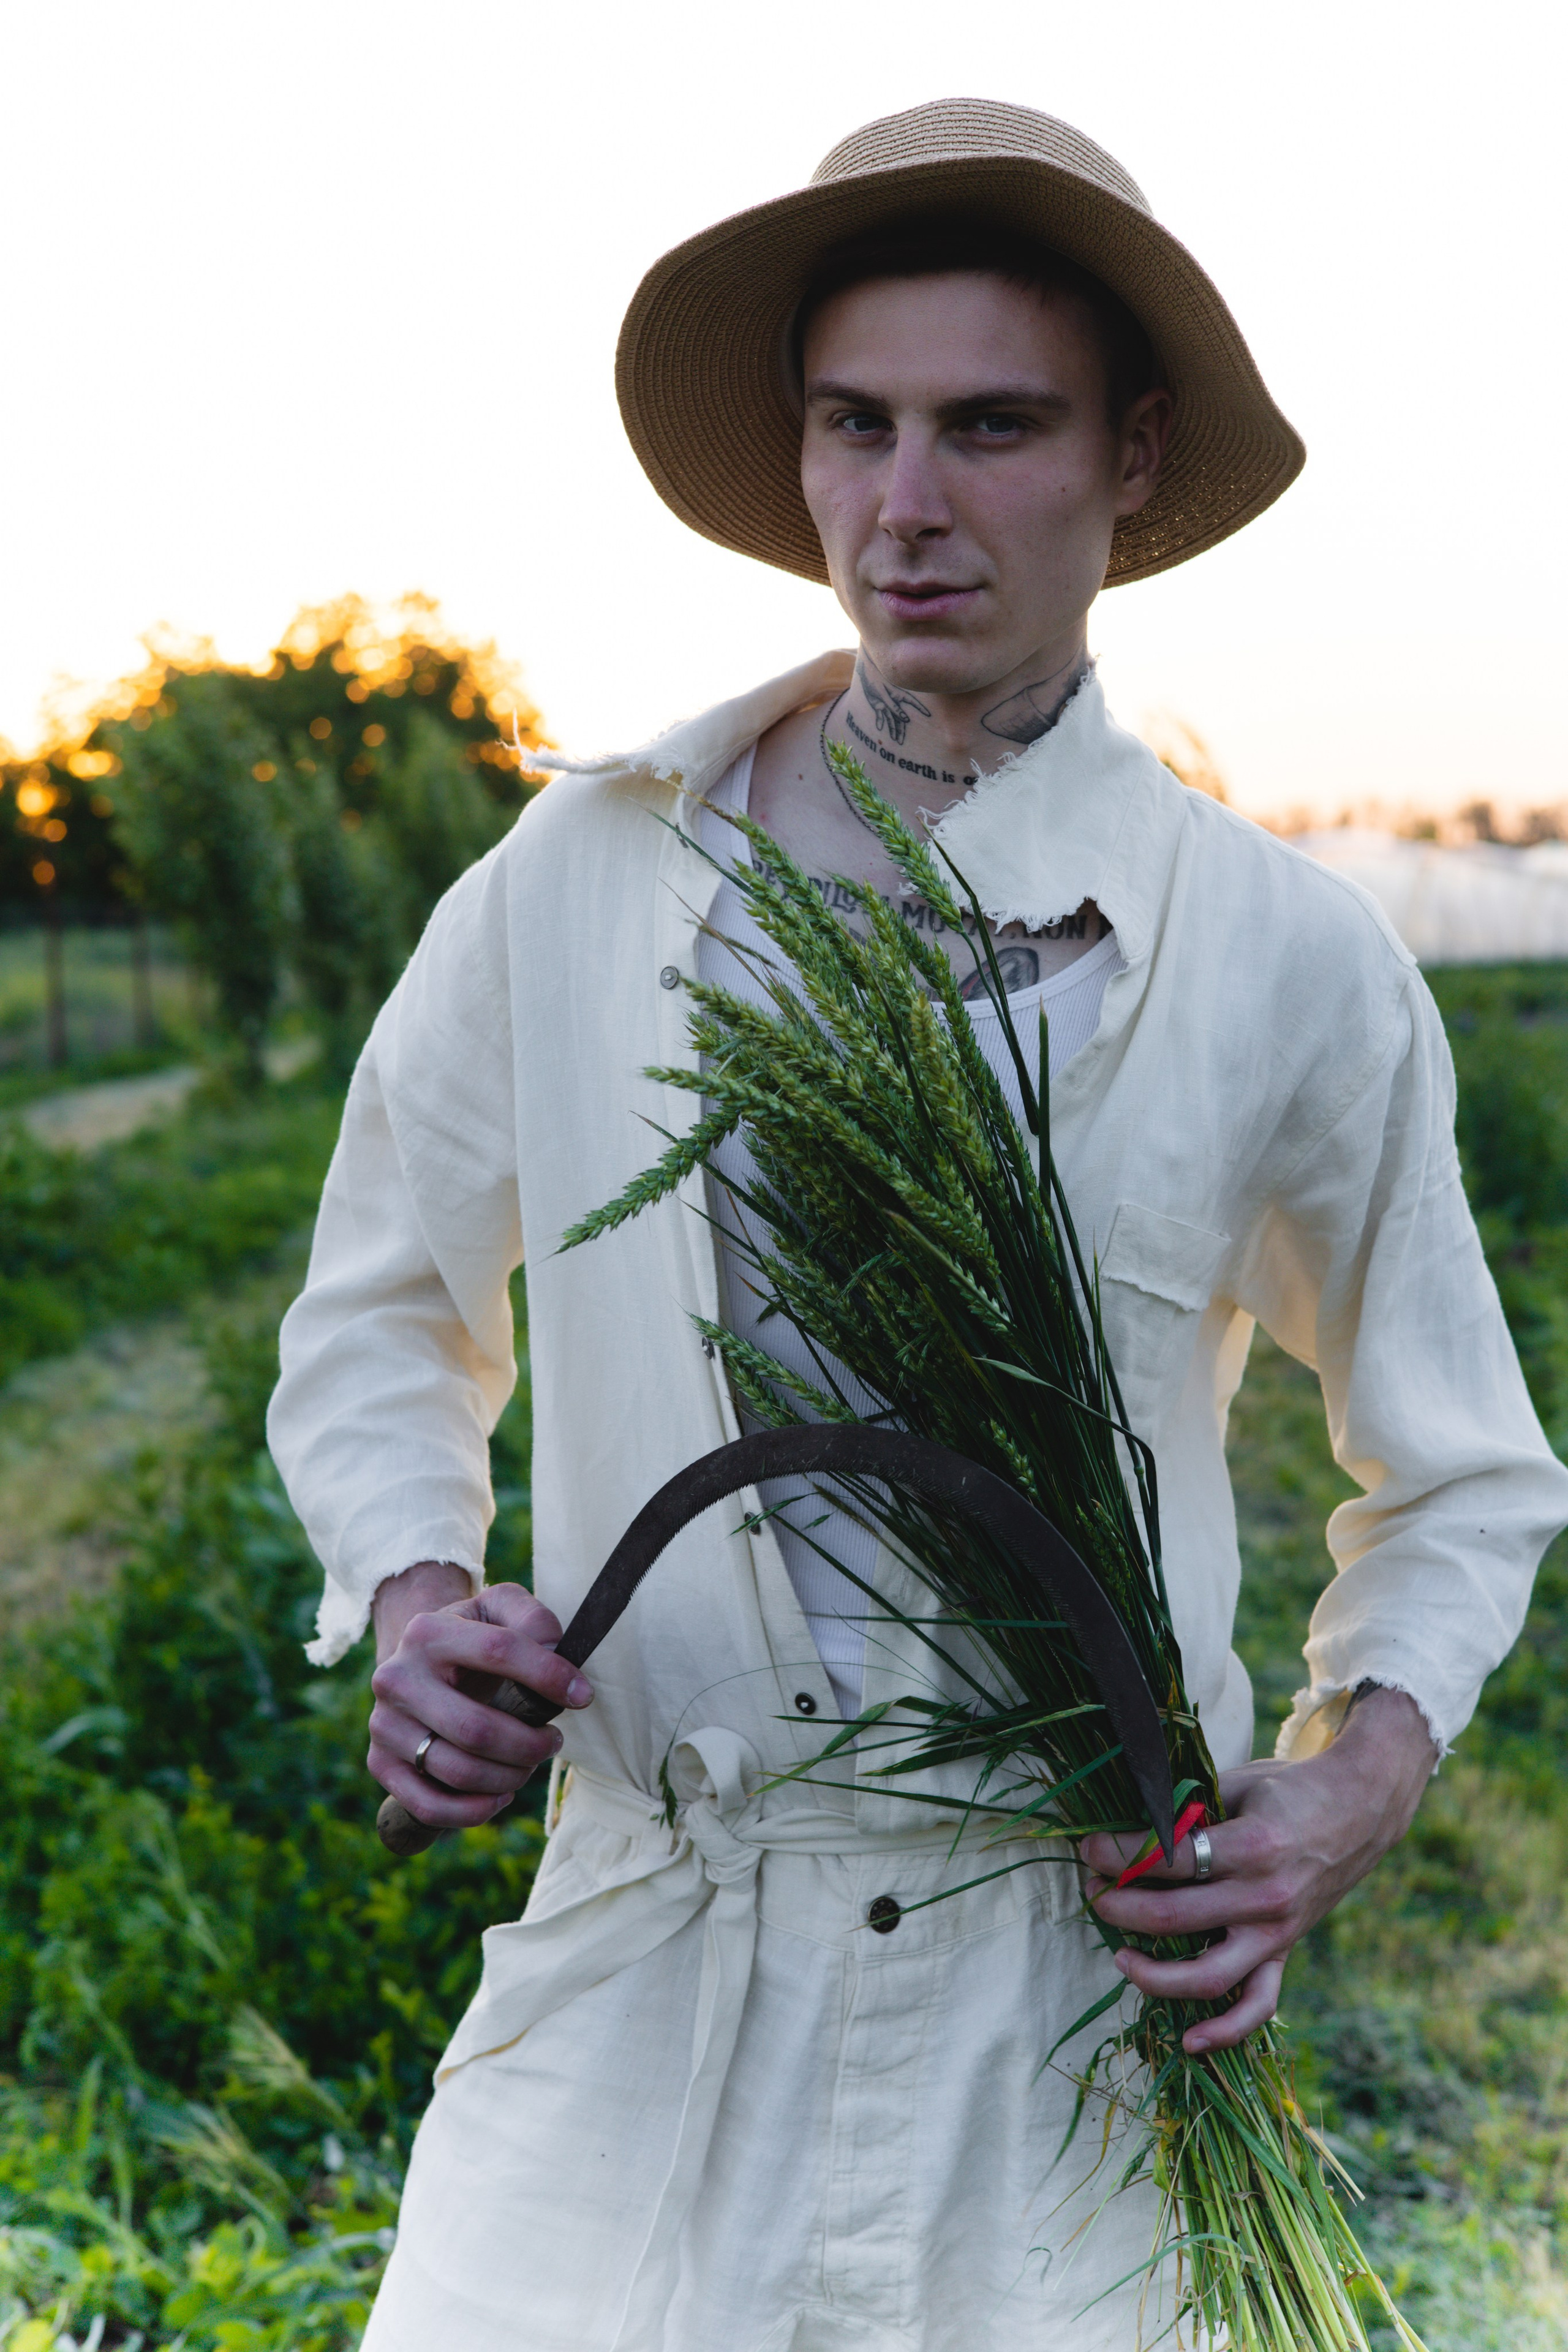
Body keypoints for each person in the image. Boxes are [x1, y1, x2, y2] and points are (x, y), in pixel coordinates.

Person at [268, 99, 1568, 2351]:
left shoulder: (1281, 956)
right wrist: (410, 1590)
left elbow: (1457, 1475)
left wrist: (1354, 1785)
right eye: (855, 425)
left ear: (1134, 459)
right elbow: (379, 1307)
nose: (908, 506)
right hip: (640, 1965)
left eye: (995, 426)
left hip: (1057, 2016)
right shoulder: (584, 879)